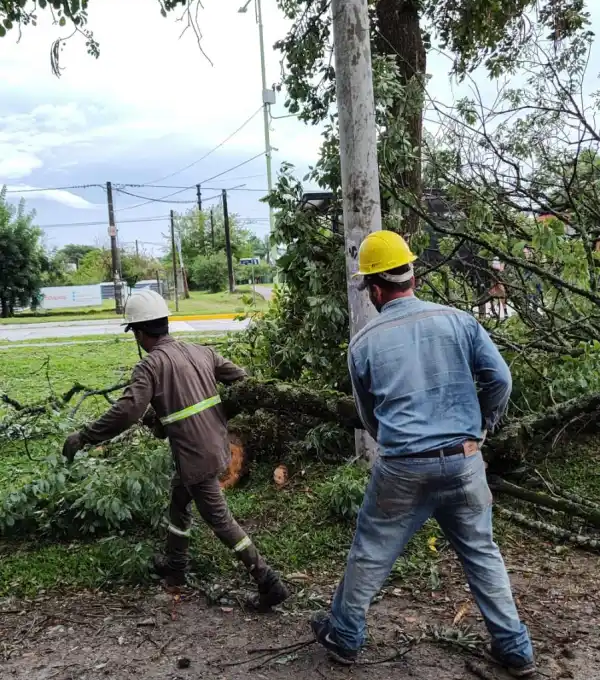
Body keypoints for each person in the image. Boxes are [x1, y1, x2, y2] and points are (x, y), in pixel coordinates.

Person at [311, 231, 536, 677]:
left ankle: (346, 636)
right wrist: (481, 430)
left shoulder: (364, 342)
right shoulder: (460, 322)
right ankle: (515, 649)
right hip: (464, 461)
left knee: (371, 552)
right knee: (482, 553)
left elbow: (369, 415)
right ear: (411, 275)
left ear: (376, 288)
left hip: (402, 469)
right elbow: (501, 381)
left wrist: (400, 444)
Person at [62, 288, 289, 610]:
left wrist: (84, 436)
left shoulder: (149, 367)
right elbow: (243, 381)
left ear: (140, 334)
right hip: (214, 447)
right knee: (179, 502)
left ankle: (268, 581)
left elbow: (127, 411)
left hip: (196, 457)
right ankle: (176, 567)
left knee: (221, 521)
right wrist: (214, 414)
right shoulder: (202, 352)